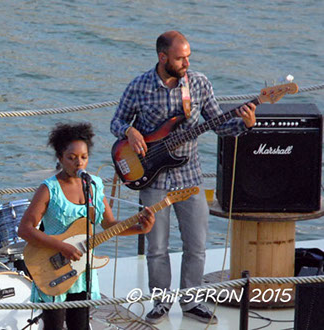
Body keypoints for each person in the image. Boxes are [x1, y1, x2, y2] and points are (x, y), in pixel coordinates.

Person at [110, 31, 257, 325]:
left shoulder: (199, 84)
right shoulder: (139, 86)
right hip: (151, 179)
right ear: (162, 57)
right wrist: (129, 131)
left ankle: (191, 303)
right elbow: (116, 121)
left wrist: (245, 124)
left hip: (190, 178)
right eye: (180, 58)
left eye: (188, 56)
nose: (186, 62)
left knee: (196, 245)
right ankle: (161, 303)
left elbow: (219, 124)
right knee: (156, 248)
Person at [18, 122, 155, 330]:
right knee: (53, 326)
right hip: (53, 265)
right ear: (60, 158)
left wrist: (140, 228)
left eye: (83, 157)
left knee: (80, 326)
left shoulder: (94, 186)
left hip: (83, 270)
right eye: (71, 158)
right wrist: (61, 246)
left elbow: (109, 224)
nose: (78, 164)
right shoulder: (49, 189)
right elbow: (25, 229)